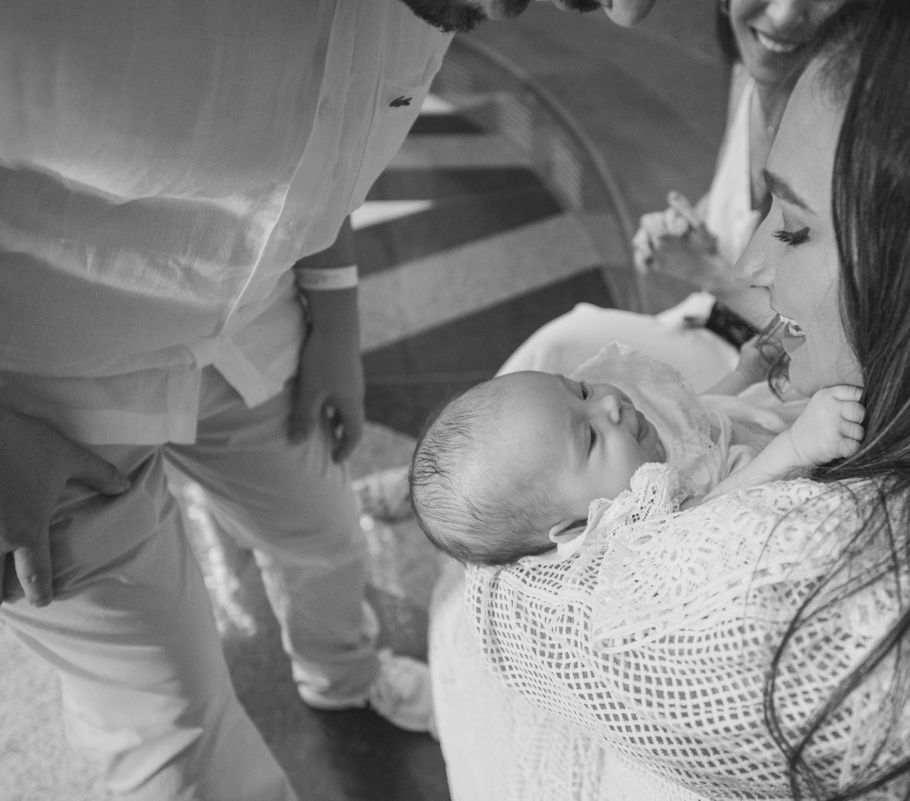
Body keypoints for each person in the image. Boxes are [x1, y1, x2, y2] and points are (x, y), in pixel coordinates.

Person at [432, 0, 910, 798]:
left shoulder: (807, 594)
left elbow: (528, 606)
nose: (754, 259)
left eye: (794, 229)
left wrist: (499, 552)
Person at [0, 0, 661, 798]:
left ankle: (341, 676)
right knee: (173, 737)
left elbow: (326, 147)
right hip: (40, 399)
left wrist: (336, 313)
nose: (623, 12)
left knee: (324, 531)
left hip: (252, 331)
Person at [500, 0, 847, 392]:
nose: (783, 14)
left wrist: (708, 272)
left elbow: (839, 334)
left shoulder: (840, 128)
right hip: (705, 321)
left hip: (773, 366)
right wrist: (684, 234)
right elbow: (736, 208)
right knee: (554, 356)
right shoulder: (748, 77)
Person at [409, 343, 865, 565]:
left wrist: (742, 373)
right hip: (794, 462)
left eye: (581, 390)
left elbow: (692, 416)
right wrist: (799, 446)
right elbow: (718, 509)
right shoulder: (647, 528)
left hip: (767, 418)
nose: (609, 404)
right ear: (579, 525)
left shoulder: (637, 444)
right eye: (588, 437)